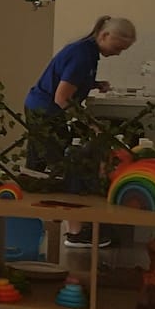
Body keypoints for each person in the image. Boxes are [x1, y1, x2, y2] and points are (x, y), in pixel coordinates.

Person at [24, 15, 137, 247]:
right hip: (46, 112)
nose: (118, 53)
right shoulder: (82, 55)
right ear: (104, 35)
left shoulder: (87, 51)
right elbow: (62, 97)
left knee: (42, 167)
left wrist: (95, 84)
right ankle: (75, 232)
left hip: (43, 108)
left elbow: (68, 81)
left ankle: (55, 224)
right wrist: (90, 123)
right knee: (64, 168)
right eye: (117, 47)